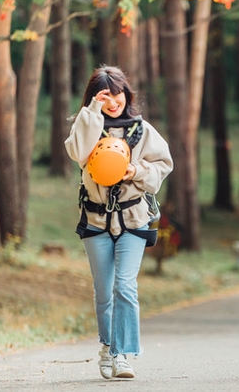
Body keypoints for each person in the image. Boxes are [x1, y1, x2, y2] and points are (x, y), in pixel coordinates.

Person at [65, 65, 173, 380]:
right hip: (96, 220)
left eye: (118, 94)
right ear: (94, 99)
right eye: (105, 96)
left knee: (125, 285)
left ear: (127, 93)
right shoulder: (87, 126)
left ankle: (122, 355)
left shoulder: (142, 129)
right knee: (104, 291)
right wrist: (92, 111)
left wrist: (136, 171)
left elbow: (163, 164)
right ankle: (107, 346)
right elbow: (77, 152)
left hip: (133, 219)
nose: (114, 102)